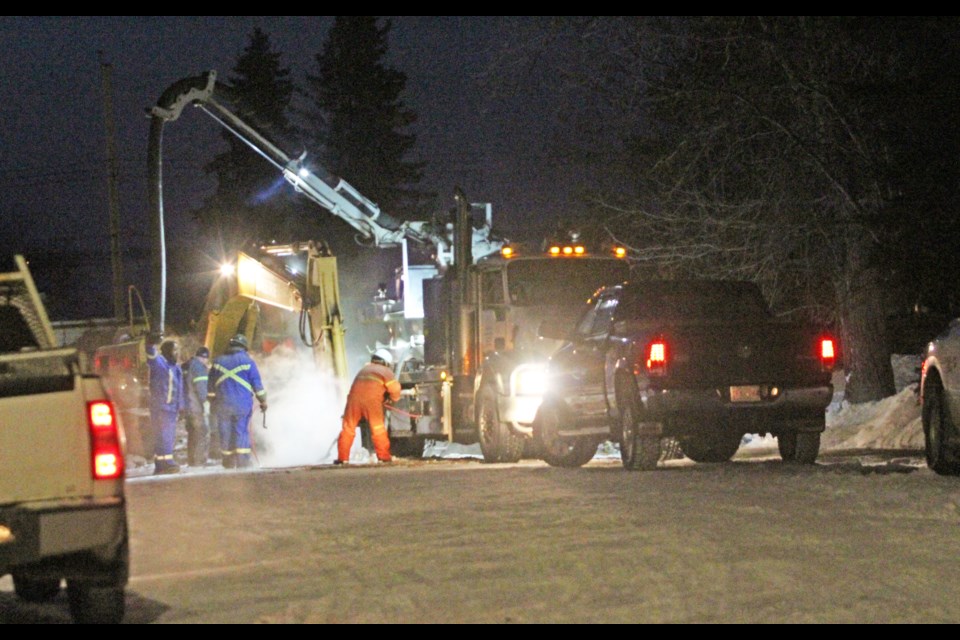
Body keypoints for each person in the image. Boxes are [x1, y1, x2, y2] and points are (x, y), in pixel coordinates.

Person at [207, 334, 267, 469]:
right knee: (241, 431)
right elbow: (257, 385)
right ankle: (243, 462)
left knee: (225, 431)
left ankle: (228, 461)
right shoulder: (248, 362)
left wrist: (213, 401)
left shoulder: (217, 362)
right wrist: (263, 401)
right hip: (242, 405)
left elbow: (210, 387)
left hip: (222, 404)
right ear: (244, 347)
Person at [337, 348, 401, 464]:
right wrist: (393, 399)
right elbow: (395, 389)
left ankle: (342, 458)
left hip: (353, 401)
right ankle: (384, 457)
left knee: (348, 429)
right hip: (372, 402)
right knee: (378, 429)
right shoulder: (385, 372)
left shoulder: (363, 370)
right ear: (386, 363)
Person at [145, 333, 186, 475]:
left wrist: (181, 407)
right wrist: (150, 344)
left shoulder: (176, 368)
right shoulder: (161, 364)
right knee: (165, 436)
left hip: (170, 408)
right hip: (162, 407)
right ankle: (167, 463)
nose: (177, 353)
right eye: (174, 350)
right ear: (167, 351)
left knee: (164, 436)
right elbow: (151, 357)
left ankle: (161, 464)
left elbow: (179, 389)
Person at [181, 346, 212, 466]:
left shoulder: (187, 365)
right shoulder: (199, 368)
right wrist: (207, 402)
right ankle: (199, 461)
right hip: (195, 407)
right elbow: (202, 388)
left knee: (192, 434)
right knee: (201, 432)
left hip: (187, 406)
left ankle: (191, 461)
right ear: (204, 358)